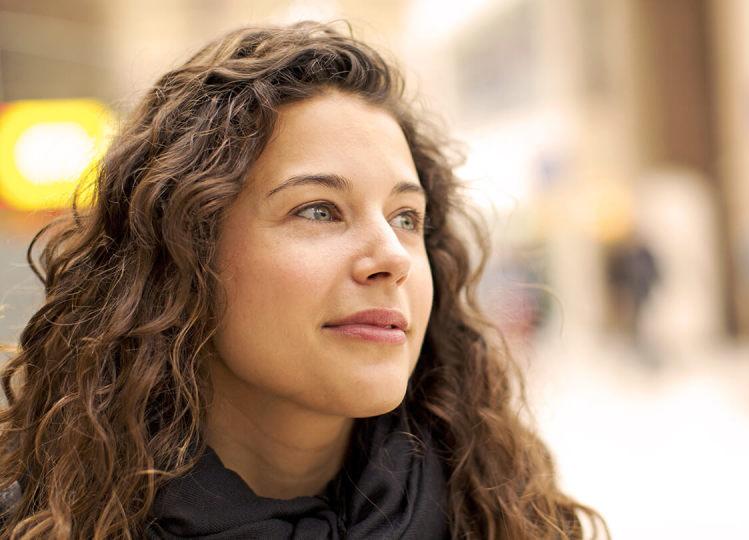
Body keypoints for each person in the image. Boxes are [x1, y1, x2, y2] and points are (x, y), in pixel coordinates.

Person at [0, 22, 606, 539]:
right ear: (184, 252)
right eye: (318, 209)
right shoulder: (41, 517)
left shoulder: (507, 513)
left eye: (406, 218)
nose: (391, 255)